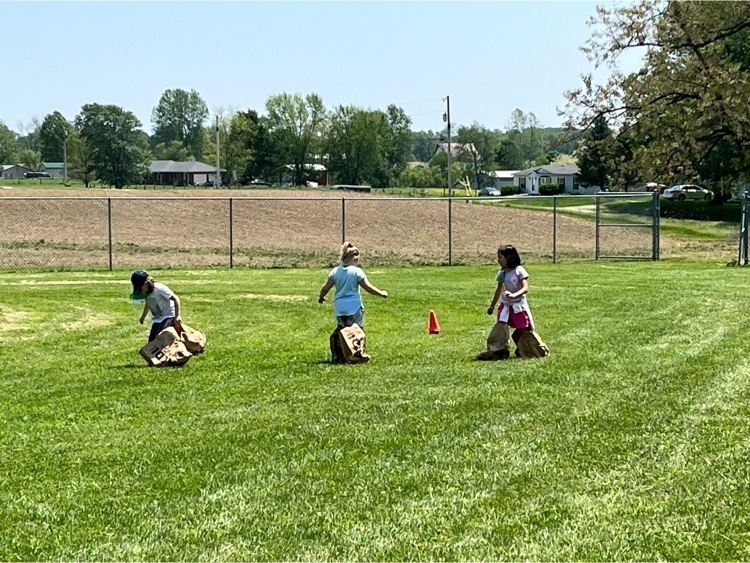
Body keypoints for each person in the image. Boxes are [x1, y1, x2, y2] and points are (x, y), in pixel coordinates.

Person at [476, 245, 546, 360]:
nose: (498, 260)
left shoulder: (519, 271)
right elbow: (498, 290)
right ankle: (498, 350)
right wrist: (492, 306)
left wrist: (514, 295)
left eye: (500, 257)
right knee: (500, 327)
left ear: (509, 257)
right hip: (506, 306)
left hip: (518, 306)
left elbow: (525, 288)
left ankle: (524, 348)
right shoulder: (502, 274)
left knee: (522, 329)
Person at [318, 242, 388, 328]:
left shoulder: (335, 271)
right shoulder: (356, 271)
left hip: (340, 308)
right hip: (353, 307)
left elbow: (325, 288)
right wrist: (381, 293)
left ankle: (339, 341)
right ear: (354, 259)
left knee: (343, 334)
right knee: (355, 335)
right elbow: (368, 288)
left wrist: (321, 297)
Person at [130, 270, 182, 342]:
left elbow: (176, 299)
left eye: (140, 287)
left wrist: (177, 316)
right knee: (152, 342)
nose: (140, 290)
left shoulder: (159, 288)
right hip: (158, 319)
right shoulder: (146, 292)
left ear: (146, 283)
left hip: (169, 316)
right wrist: (143, 316)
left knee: (160, 337)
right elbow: (148, 304)